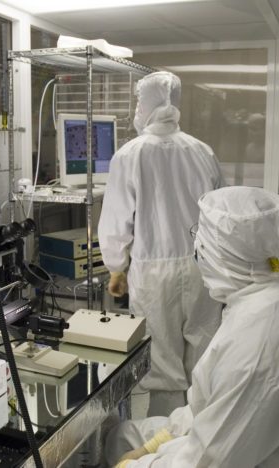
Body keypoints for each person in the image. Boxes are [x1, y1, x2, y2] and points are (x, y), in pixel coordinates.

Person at [105, 186, 279, 468]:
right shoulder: (268, 292)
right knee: (122, 436)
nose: (196, 252)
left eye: (200, 241)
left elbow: (207, 462)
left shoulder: (260, 342)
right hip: (240, 442)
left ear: (221, 256)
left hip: (250, 457)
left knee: (124, 452)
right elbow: (207, 408)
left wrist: (136, 465)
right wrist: (150, 446)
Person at [98, 71, 225, 417]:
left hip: (153, 273)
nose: (137, 108)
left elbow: (116, 220)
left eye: (140, 101)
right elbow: (220, 214)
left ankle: (165, 448)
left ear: (150, 104)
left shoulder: (130, 155)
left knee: (161, 365)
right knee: (203, 359)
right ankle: (201, 442)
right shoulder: (203, 152)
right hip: (203, 269)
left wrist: (115, 267)